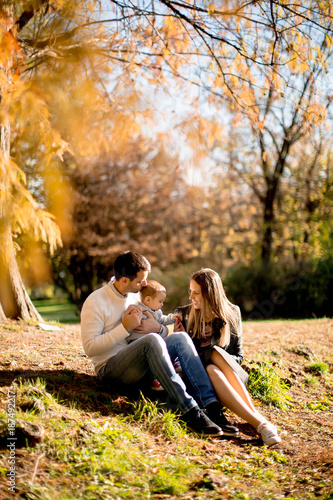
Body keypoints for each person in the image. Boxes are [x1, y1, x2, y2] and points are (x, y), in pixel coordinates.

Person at [80, 251, 238, 437]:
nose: (145, 285)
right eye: (140, 281)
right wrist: (124, 328)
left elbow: (157, 329)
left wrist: (160, 330)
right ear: (124, 280)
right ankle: (191, 411)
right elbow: (89, 348)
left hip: (141, 362)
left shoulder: (134, 296)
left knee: (181, 338)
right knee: (152, 341)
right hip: (112, 369)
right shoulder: (96, 301)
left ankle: (211, 407)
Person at [174, 268, 282, 446]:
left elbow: (238, 357)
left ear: (210, 294)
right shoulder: (184, 314)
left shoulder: (232, 313)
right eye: (190, 291)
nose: (190, 297)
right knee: (209, 366)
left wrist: (216, 356)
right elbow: (182, 357)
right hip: (200, 380)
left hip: (229, 380)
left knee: (214, 360)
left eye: (196, 293)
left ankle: (259, 421)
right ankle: (261, 423)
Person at [127, 280, 183, 390]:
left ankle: (176, 363)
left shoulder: (157, 311)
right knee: (153, 360)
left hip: (153, 343)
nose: (162, 304)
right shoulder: (137, 310)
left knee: (164, 349)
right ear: (148, 299)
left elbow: (161, 320)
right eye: (160, 301)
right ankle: (155, 379)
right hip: (137, 344)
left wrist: (171, 318)